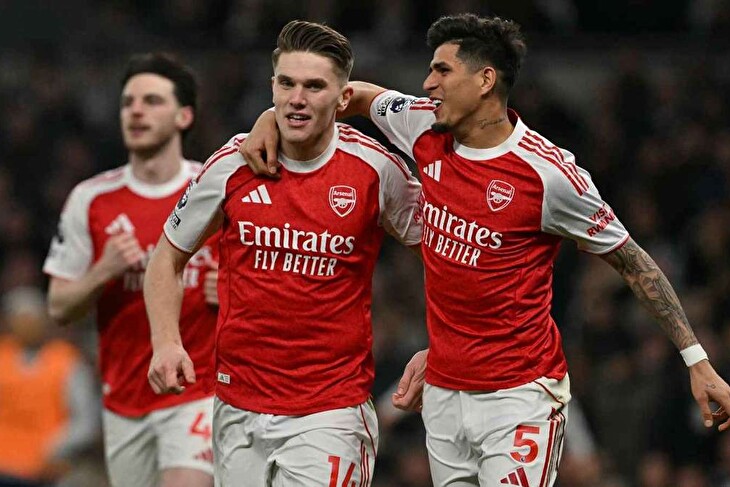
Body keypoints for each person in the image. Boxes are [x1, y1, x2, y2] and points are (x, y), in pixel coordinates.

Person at [240, 13, 730, 487]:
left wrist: (697, 360)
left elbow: (634, 262)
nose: (427, 83)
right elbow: (359, 96)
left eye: (442, 70)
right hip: (444, 397)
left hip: (519, 398)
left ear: (485, 81)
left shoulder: (550, 175)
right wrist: (269, 118)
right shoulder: (422, 125)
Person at [144, 20, 422, 487]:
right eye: (287, 83)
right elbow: (166, 258)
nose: (297, 98)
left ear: (343, 98)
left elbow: (445, 254)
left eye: (314, 86)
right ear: (271, 86)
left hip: (331, 411)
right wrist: (167, 341)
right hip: (236, 403)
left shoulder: (376, 170)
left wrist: (443, 344)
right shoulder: (232, 165)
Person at [43, 53, 218, 487]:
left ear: (184, 116)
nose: (136, 111)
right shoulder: (91, 199)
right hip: (124, 397)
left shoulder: (215, 189)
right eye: (128, 102)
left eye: (152, 101)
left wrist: (236, 288)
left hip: (200, 389)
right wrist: (102, 271)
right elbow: (59, 307)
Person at [0, 287, 98, 487]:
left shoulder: (67, 361)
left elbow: (86, 420)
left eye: (32, 319)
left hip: (50, 467)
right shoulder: (3, 356)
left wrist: (56, 449)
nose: (26, 326)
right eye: (20, 319)